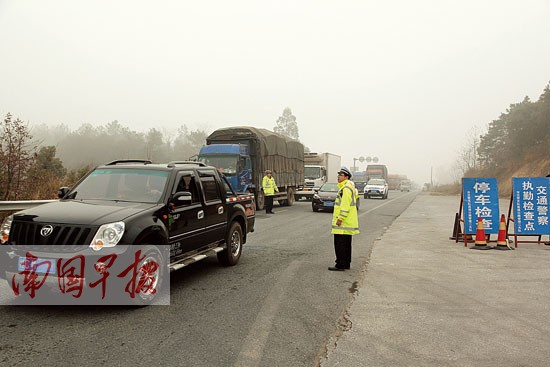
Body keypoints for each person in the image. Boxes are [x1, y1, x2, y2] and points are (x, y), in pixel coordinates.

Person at [329, 166, 359, 271]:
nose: (338, 177)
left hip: (343, 223)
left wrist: (340, 218)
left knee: (340, 244)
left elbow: (345, 205)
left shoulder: (346, 188)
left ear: (346, 177)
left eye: (341, 175)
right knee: (346, 244)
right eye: (338, 174)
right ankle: (346, 263)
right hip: (347, 222)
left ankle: (340, 264)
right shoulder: (349, 187)